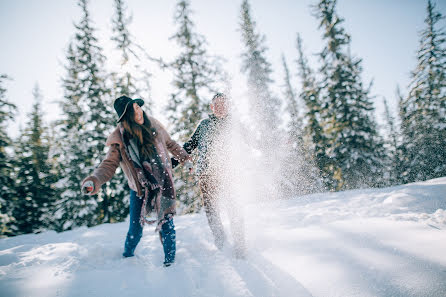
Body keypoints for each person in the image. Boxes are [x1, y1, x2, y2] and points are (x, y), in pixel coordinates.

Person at [81, 95, 191, 267]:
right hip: (139, 188)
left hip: (162, 183)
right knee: (136, 229)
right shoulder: (120, 139)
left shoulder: (153, 124)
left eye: (137, 106)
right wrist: (94, 180)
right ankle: (127, 257)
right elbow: (109, 164)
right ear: (126, 118)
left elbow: (171, 144)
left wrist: (185, 159)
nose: (138, 111)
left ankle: (170, 263)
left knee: (167, 223)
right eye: (132, 111)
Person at [179, 93, 246, 258]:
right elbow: (190, 145)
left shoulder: (234, 125)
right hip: (207, 175)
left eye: (223, 104)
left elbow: (252, 140)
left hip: (229, 173)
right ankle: (220, 240)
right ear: (212, 107)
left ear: (228, 106)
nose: (220, 107)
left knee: (234, 208)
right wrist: (173, 161)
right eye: (216, 104)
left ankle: (240, 245)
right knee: (211, 210)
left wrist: (272, 146)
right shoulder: (204, 125)